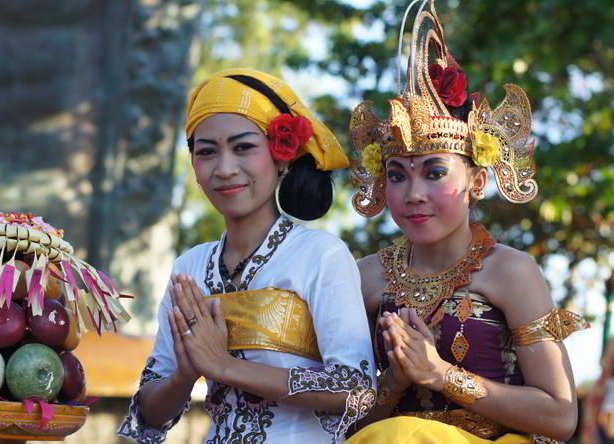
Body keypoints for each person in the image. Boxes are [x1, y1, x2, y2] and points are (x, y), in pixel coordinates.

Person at [344, 1, 588, 443]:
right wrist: (393, 385)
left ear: (477, 181)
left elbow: (560, 416)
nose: (413, 194)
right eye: (397, 175)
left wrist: (440, 375)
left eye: (435, 173)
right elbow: (339, 422)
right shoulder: (364, 277)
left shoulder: (509, 271)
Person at [117, 68, 376, 443]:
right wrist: (184, 375)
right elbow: (149, 414)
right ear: (194, 166)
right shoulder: (189, 267)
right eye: (207, 152)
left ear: (282, 156)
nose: (224, 169)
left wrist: (223, 365)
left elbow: (357, 390)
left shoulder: (320, 255)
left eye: (243, 147)